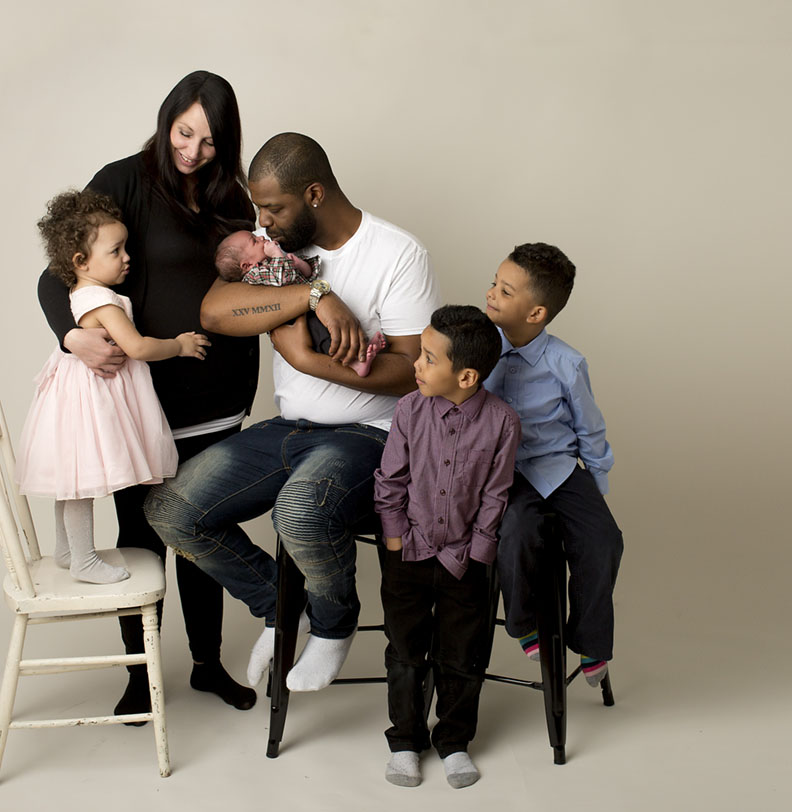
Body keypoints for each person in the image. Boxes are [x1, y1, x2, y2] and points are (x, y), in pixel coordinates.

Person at [148, 132, 440, 694]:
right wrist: (313, 296)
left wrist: (308, 360)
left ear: (312, 194)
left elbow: (414, 370)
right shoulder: (269, 248)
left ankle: (334, 625)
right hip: (289, 430)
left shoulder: (398, 253)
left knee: (300, 511)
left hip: (370, 435)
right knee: (170, 509)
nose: (262, 221)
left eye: (272, 208)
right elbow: (214, 311)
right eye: (259, 208)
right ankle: (283, 605)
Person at [37, 71, 260, 714]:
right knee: (140, 533)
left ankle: (207, 665)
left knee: (203, 530)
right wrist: (70, 336)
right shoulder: (123, 179)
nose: (192, 151)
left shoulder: (233, 199)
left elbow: (251, 289)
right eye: (184, 132)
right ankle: (140, 676)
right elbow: (60, 273)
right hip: (141, 401)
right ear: (167, 120)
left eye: (210, 142)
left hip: (217, 401)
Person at [16, 190, 208, 584]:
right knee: (78, 481)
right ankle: (83, 559)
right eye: (116, 251)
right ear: (80, 261)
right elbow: (136, 347)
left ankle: (68, 550)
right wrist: (180, 345)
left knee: (70, 481)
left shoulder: (82, 293)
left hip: (75, 394)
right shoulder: (102, 301)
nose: (127, 258)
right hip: (89, 400)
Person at [374, 305, 520, 789]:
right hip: (408, 553)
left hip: (466, 561)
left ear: (467, 375)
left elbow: (496, 492)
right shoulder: (409, 410)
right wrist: (394, 540)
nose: (415, 364)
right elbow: (390, 480)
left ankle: (454, 741)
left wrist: (478, 555)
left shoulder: (502, 422)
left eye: (428, 358)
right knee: (405, 651)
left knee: (463, 654)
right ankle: (405, 741)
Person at [482, 242, 623, 686]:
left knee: (604, 539)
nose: (491, 294)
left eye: (505, 291)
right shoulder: (477, 351)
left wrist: (594, 486)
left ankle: (591, 640)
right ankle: (524, 623)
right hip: (503, 473)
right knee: (519, 529)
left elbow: (590, 427)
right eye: (494, 283)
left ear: (536, 313)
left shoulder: (567, 362)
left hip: (558, 467)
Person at [214, 230, 387, 376]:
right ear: (246, 265)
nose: (261, 237)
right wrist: (276, 254)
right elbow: (283, 281)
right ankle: (356, 364)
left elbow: (308, 276)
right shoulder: (254, 275)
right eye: (254, 241)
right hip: (292, 317)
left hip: (305, 306)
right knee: (322, 336)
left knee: (339, 327)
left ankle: (364, 349)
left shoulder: (274, 263)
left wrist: (299, 264)